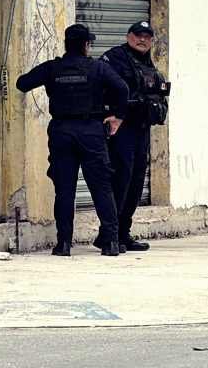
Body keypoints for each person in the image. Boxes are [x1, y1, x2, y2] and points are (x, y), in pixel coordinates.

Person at [16, 24, 128, 257]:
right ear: (86, 45)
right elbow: (122, 89)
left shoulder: (52, 68)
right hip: (92, 132)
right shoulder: (98, 68)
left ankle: (63, 244)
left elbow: (22, 83)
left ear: (67, 44)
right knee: (101, 188)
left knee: (64, 190)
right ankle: (111, 243)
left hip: (62, 131)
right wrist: (116, 117)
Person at [99, 20, 170, 253]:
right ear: (129, 36)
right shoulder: (114, 58)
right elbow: (101, 88)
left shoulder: (146, 61)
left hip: (141, 128)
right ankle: (109, 234)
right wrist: (114, 114)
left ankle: (123, 233)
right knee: (121, 180)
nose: (143, 40)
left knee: (136, 182)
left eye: (147, 37)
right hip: (121, 130)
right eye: (138, 35)